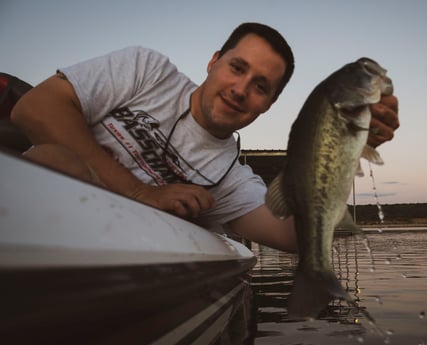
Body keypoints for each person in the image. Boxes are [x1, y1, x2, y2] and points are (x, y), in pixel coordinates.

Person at [11, 23, 399, 253]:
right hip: (31, 219)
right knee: (53, 161)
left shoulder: (229, 180)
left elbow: (297, 237)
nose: (240, 89)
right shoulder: (148, 71)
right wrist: (139, 192)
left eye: (260, 86)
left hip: (124, 258)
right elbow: (33, 108)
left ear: (269, 104)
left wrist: (353, 146)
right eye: (237, 67)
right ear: (213, 62)